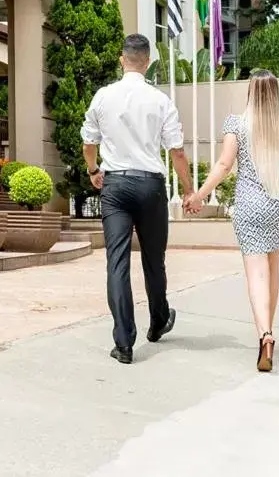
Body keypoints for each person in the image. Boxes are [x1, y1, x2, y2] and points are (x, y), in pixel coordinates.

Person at [184, 69, 279, 373]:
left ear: (250, 93)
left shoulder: (236, 124)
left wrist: (199, 195)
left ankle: (265, 334)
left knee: (256, 275)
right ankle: (267, 332)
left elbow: (225, 164)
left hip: (250, 208)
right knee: (273, 271)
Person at [81, 33, 193, 365]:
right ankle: (158, 320)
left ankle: (124, 343)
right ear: (147, 62)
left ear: (122, 59)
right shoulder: (161, 101)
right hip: (150, 186)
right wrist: (188, 190)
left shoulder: (103, 96)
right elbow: (177, 152)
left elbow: (89, 142)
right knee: (153, 260)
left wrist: (92, 170)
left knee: (117, 262)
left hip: (114, 186)